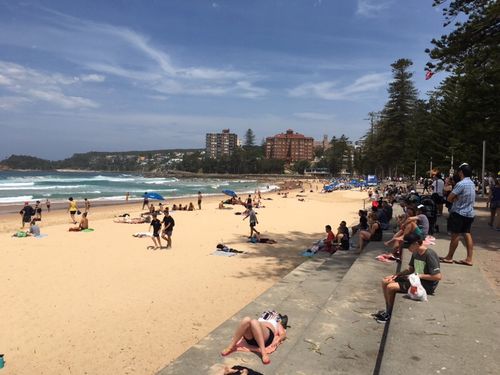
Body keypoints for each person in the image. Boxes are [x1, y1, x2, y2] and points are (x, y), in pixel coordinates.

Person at [440, 163, 476, 266]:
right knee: (467, 234)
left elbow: (449, 198)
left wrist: (455, 198)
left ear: (461, 172)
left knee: (455, 235)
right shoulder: (472, 183)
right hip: (469, 213)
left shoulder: (461, 184)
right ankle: (469, 258)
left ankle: (449, 257)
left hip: (459, 213)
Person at [221, 310, 285, 365]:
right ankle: (231, 347)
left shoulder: (277, 322)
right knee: (246, 319)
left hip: (266, 338)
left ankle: (263, 352)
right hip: (252, 338)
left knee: (254, 321)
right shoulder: (260, 319)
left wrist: (278, 339)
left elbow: (283, 334)